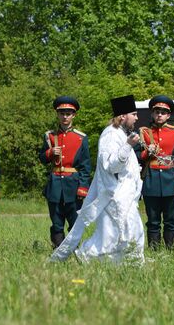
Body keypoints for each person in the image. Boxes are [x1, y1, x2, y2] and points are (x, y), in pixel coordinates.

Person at [50, 95, 144, 264]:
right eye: (134, 114)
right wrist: (129, 145)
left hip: (124, 196)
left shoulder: (121, 134)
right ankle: (84, 256)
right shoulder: (110, 135)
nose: (137, 118)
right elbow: (112, 166)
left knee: (132, 233)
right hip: (114, 197)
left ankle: (130, 266)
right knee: (108, 240)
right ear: (123, 116)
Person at [39, 96, 91, 248]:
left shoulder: (81, 138)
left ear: (74, 115)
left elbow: (85, 166)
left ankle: (74, 251)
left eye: (68, 113)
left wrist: (83, 187)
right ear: (57, 114)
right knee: (56, 223)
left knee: (74, 223)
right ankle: (58, 253)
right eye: (62, 113)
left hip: (73, 185)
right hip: (55, 184)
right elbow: (42, 158)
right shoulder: (50, 136)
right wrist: (49, 153)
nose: (65, 116)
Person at [136, 95, 174, 250]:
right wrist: (146, 154)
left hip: (170, 180)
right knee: (152, 220)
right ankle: (154, 250)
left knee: (170, 220)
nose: (159, 114)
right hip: (151, 180)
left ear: (168, 115)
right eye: (157, 111)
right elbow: (135, 156)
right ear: (152, 113)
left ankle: (170, 250)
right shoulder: (144, 132)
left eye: (163, 112)